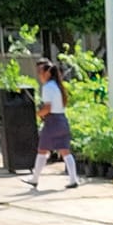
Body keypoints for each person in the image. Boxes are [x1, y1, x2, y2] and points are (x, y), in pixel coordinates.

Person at [25, 57, 79, 192]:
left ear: (47, 73)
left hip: (52, 122)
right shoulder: (58, 86)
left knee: (42, 150)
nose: (39, 75)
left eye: (40, 72)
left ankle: (35, 179)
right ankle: (73, 179)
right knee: (65, 151)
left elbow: (47, 108)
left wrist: (37, 114)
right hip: (62, 120)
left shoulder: (47, 87)